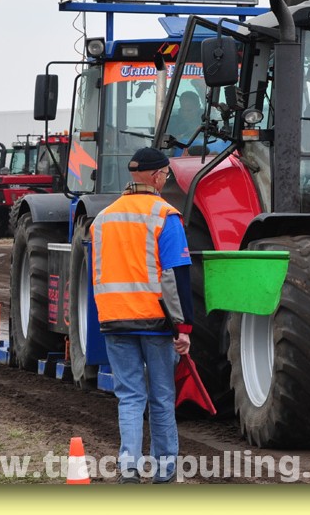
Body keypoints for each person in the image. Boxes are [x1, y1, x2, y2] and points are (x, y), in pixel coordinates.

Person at [90, 147, 194, 484]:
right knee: (161, 397)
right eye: (166, 174)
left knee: (130, 396)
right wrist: (184, 327)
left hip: (114, 320)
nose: (166, 179)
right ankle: (164, 471)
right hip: (156, 321)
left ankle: (129, 468)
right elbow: (177, 275)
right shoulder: (165, 215)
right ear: (155, 176)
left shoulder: (102, 219)